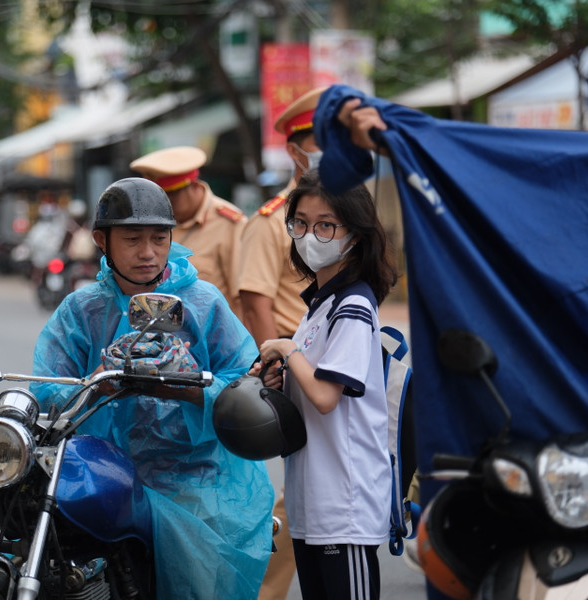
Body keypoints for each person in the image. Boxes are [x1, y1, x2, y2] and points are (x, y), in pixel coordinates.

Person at [31, 178, 274, 599]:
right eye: (132, 239)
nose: (148, 252)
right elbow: (48, 386)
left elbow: (244, 379)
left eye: (159, 239)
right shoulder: (81, 309)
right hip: (103, 470)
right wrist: (95, 386)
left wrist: (192, 389)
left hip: (194, 474)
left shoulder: (202, 303)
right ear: (100, 242)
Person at [254, 168, 398, 600]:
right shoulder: (321, 305)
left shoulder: (353, 304)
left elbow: (325, 396)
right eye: (299, 223)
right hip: (313, 504)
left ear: (354, 233)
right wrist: (279, 377)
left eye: (325, 225)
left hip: (344, 506)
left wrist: (285, 348)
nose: (309, 235)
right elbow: (307, 388)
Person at [240, 87, 327, 600]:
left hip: (339, 364)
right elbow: (255, 302)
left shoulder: (346, 213)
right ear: (296, 152)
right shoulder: (272, 221)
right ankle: (260, 589)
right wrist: (275, 374)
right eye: (321, 146)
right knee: (300, 495)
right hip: (299, 366)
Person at [129, 146, 247, 317]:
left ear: (191, 186)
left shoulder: (229, 224)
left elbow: (243, 299)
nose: (162, 206)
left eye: (170, 198)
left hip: (210, 337)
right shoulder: (154, 221)